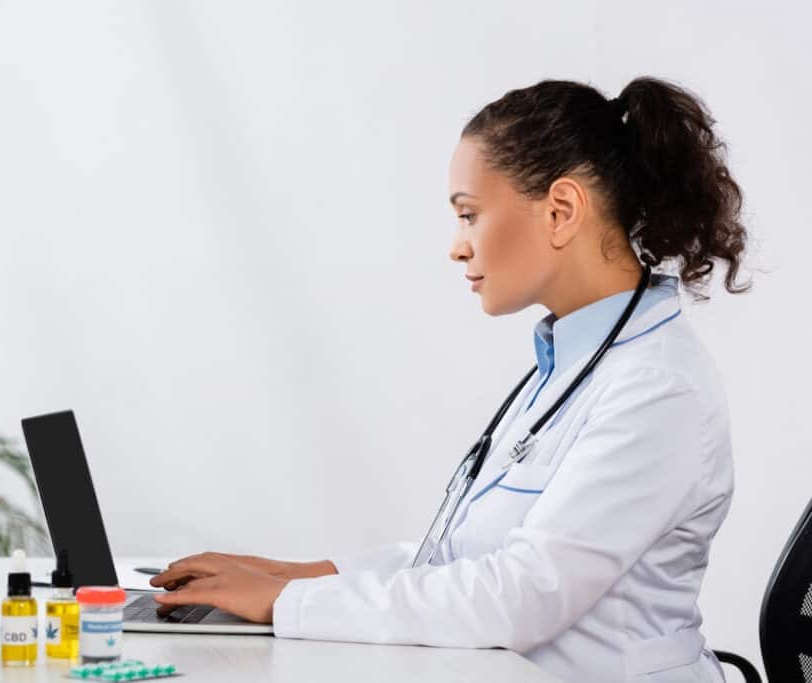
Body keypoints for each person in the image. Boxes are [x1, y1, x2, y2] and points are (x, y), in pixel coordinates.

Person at [149, 76, 751, 683]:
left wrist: (284, 604)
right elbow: (459, 560)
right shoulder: (569, 364)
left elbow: (519, 597)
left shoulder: (656, 388)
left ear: (562, 210)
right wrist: (293, 576)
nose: (457, 248)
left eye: (469, 215)